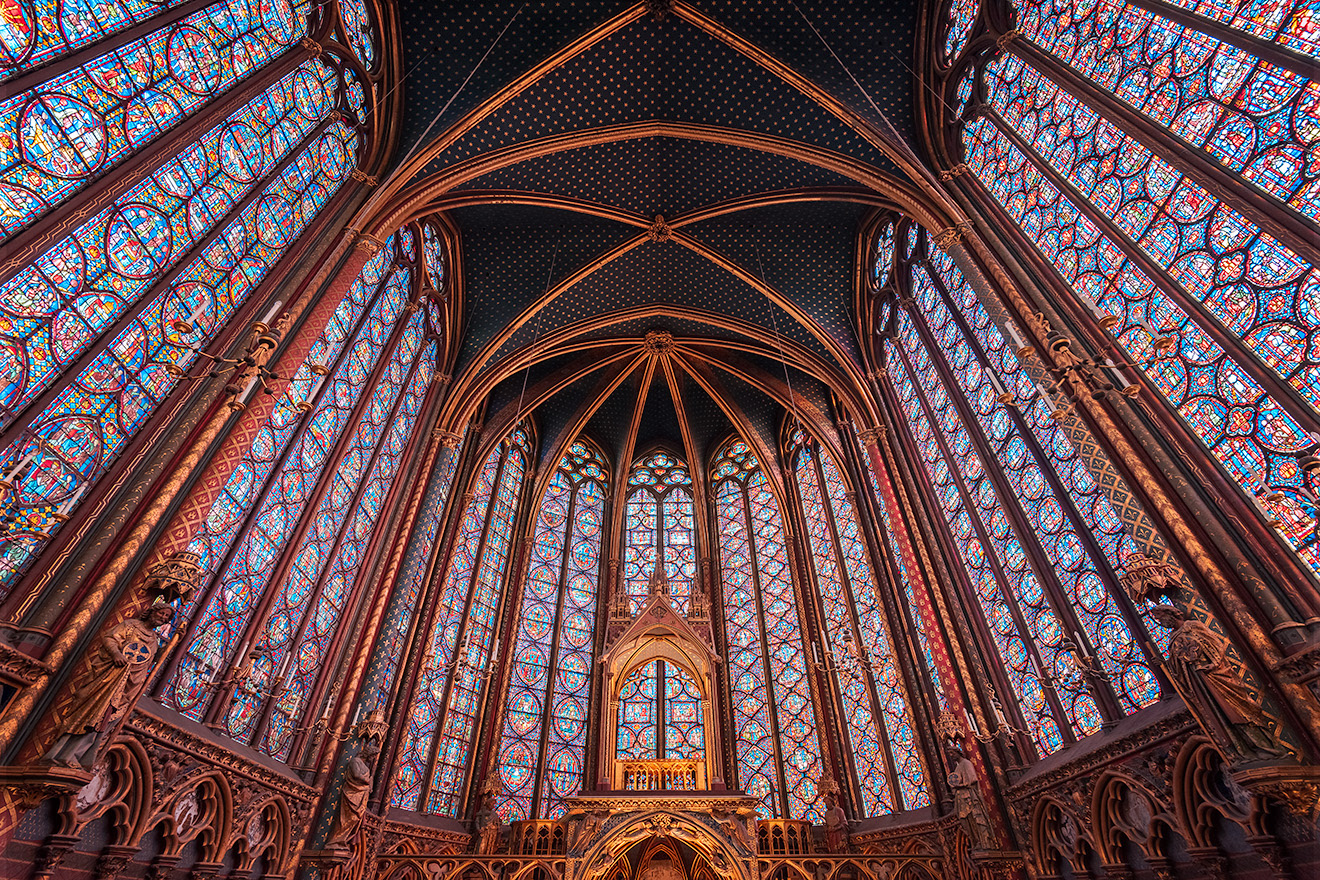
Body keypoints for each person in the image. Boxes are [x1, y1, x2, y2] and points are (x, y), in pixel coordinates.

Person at [43, 604, 174, 770]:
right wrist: (116, 654)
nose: (163, 617)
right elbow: (109, 638)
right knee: (92, 713)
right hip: (110, 679)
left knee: (105, 720)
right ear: (152, 612)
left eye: (166, 617)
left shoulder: (154, 639)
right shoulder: (130, 626)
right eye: (162, 613)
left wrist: (171, 645)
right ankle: (62, 754)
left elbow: (152, 658)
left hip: (128, 685)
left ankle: (80, 757)